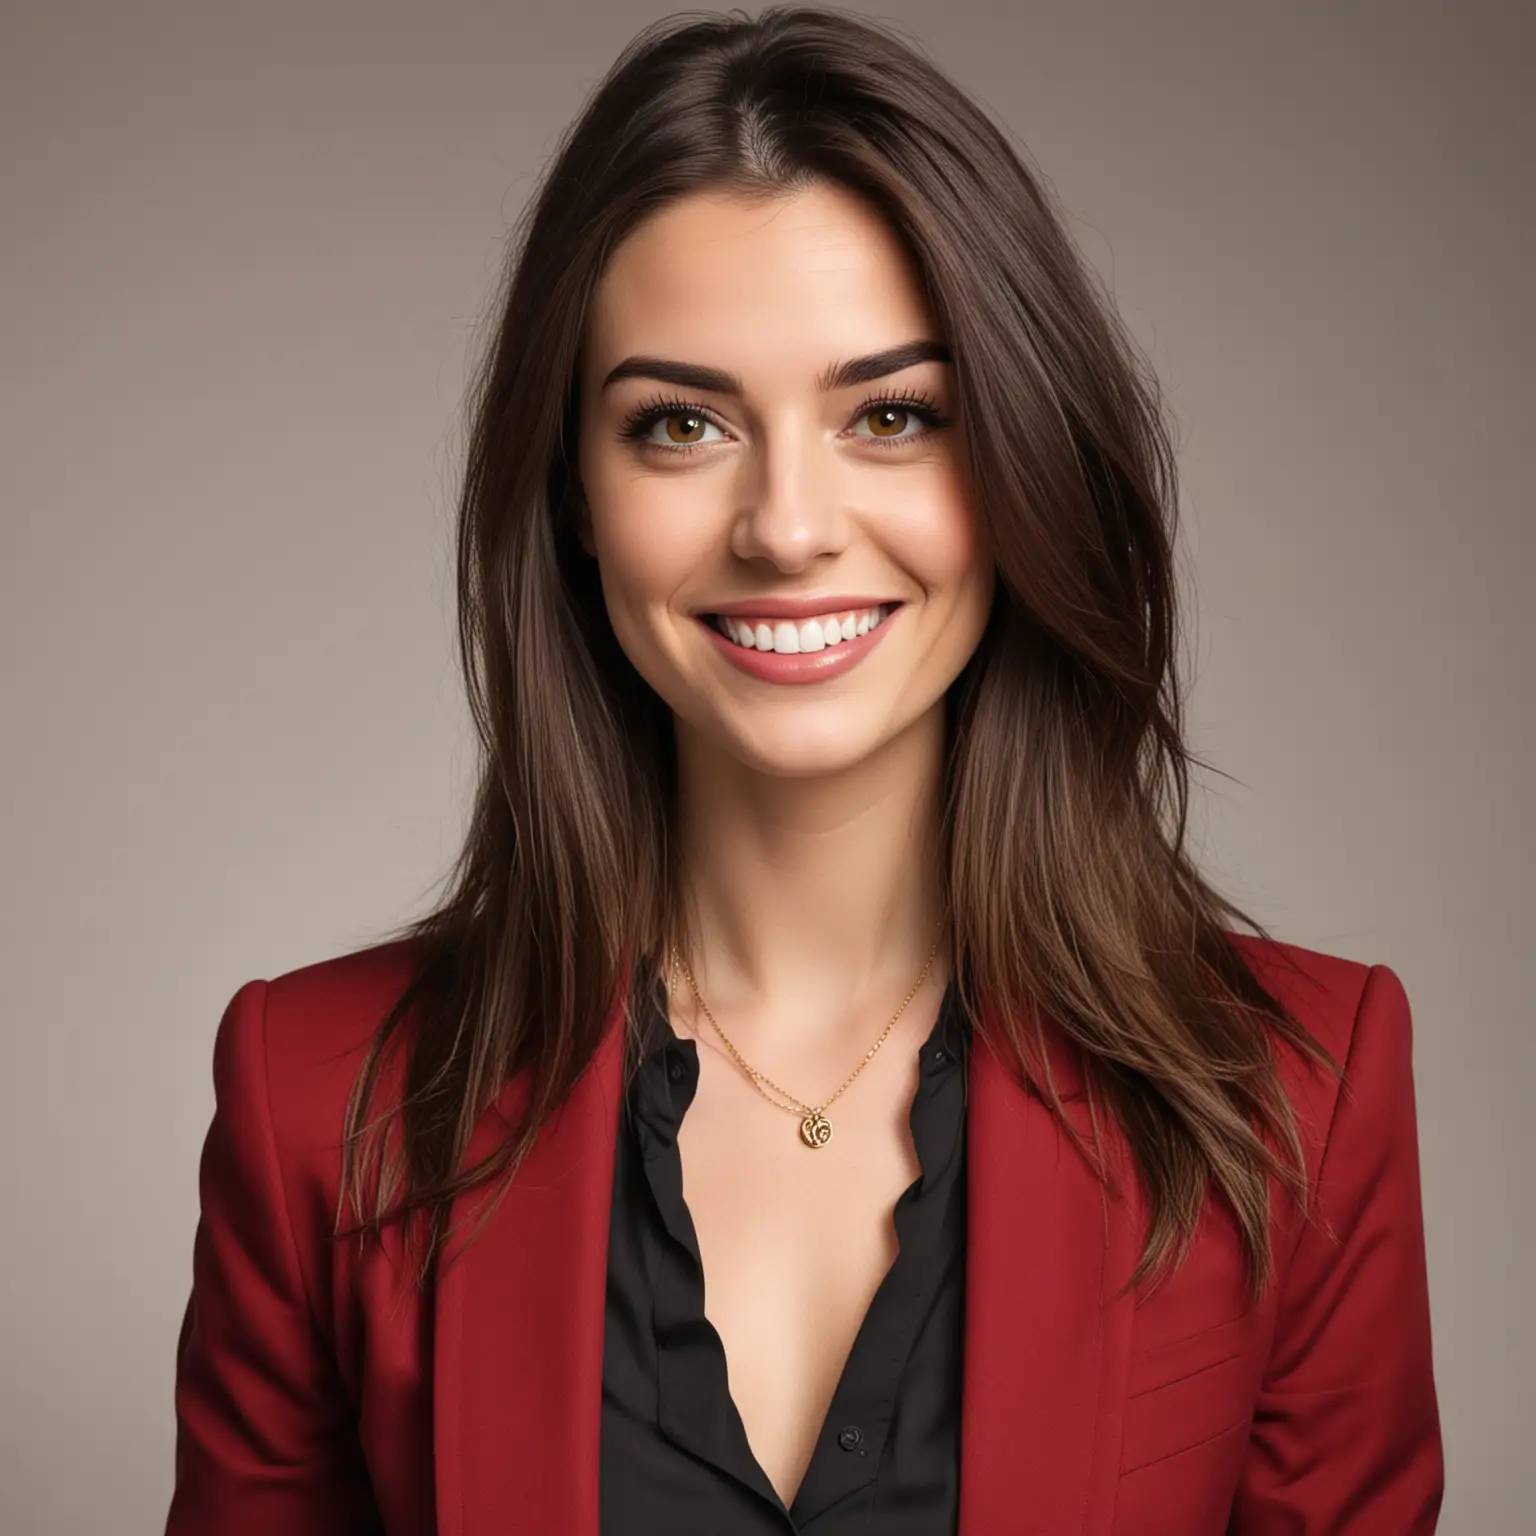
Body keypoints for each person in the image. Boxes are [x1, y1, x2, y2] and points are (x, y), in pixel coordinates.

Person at [164, 8, 1443, 1534]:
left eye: (892, 415)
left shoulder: (1297, 1096)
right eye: (681, 423)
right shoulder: (313, 1106)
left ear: (1023, 457)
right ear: (573, 493)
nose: (785, 525)